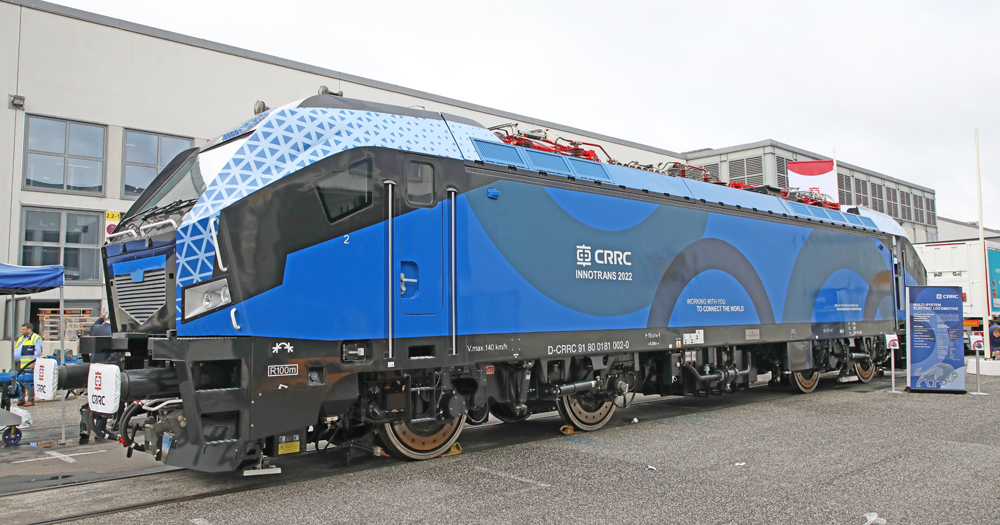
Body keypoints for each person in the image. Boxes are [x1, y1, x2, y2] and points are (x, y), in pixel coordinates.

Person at [80, 309, 112, 444]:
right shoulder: (114, 331)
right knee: (105, 398)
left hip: (94, 368)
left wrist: (100, 318)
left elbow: (93, 327)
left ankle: (85, 427)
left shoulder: (97, 329)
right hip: (108, 368)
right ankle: (100, 428)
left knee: (95, 397)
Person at [13, 322, 43, 407]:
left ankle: (30, 400)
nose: (21, 331)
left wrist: (34, 362)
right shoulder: (21, 338)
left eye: (23, 329)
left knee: (29, 382)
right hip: (20, 364)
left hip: (28, 365)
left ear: (29, 329)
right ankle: (21, 399)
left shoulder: (36, 338)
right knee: (20, 382)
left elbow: (38, 352)